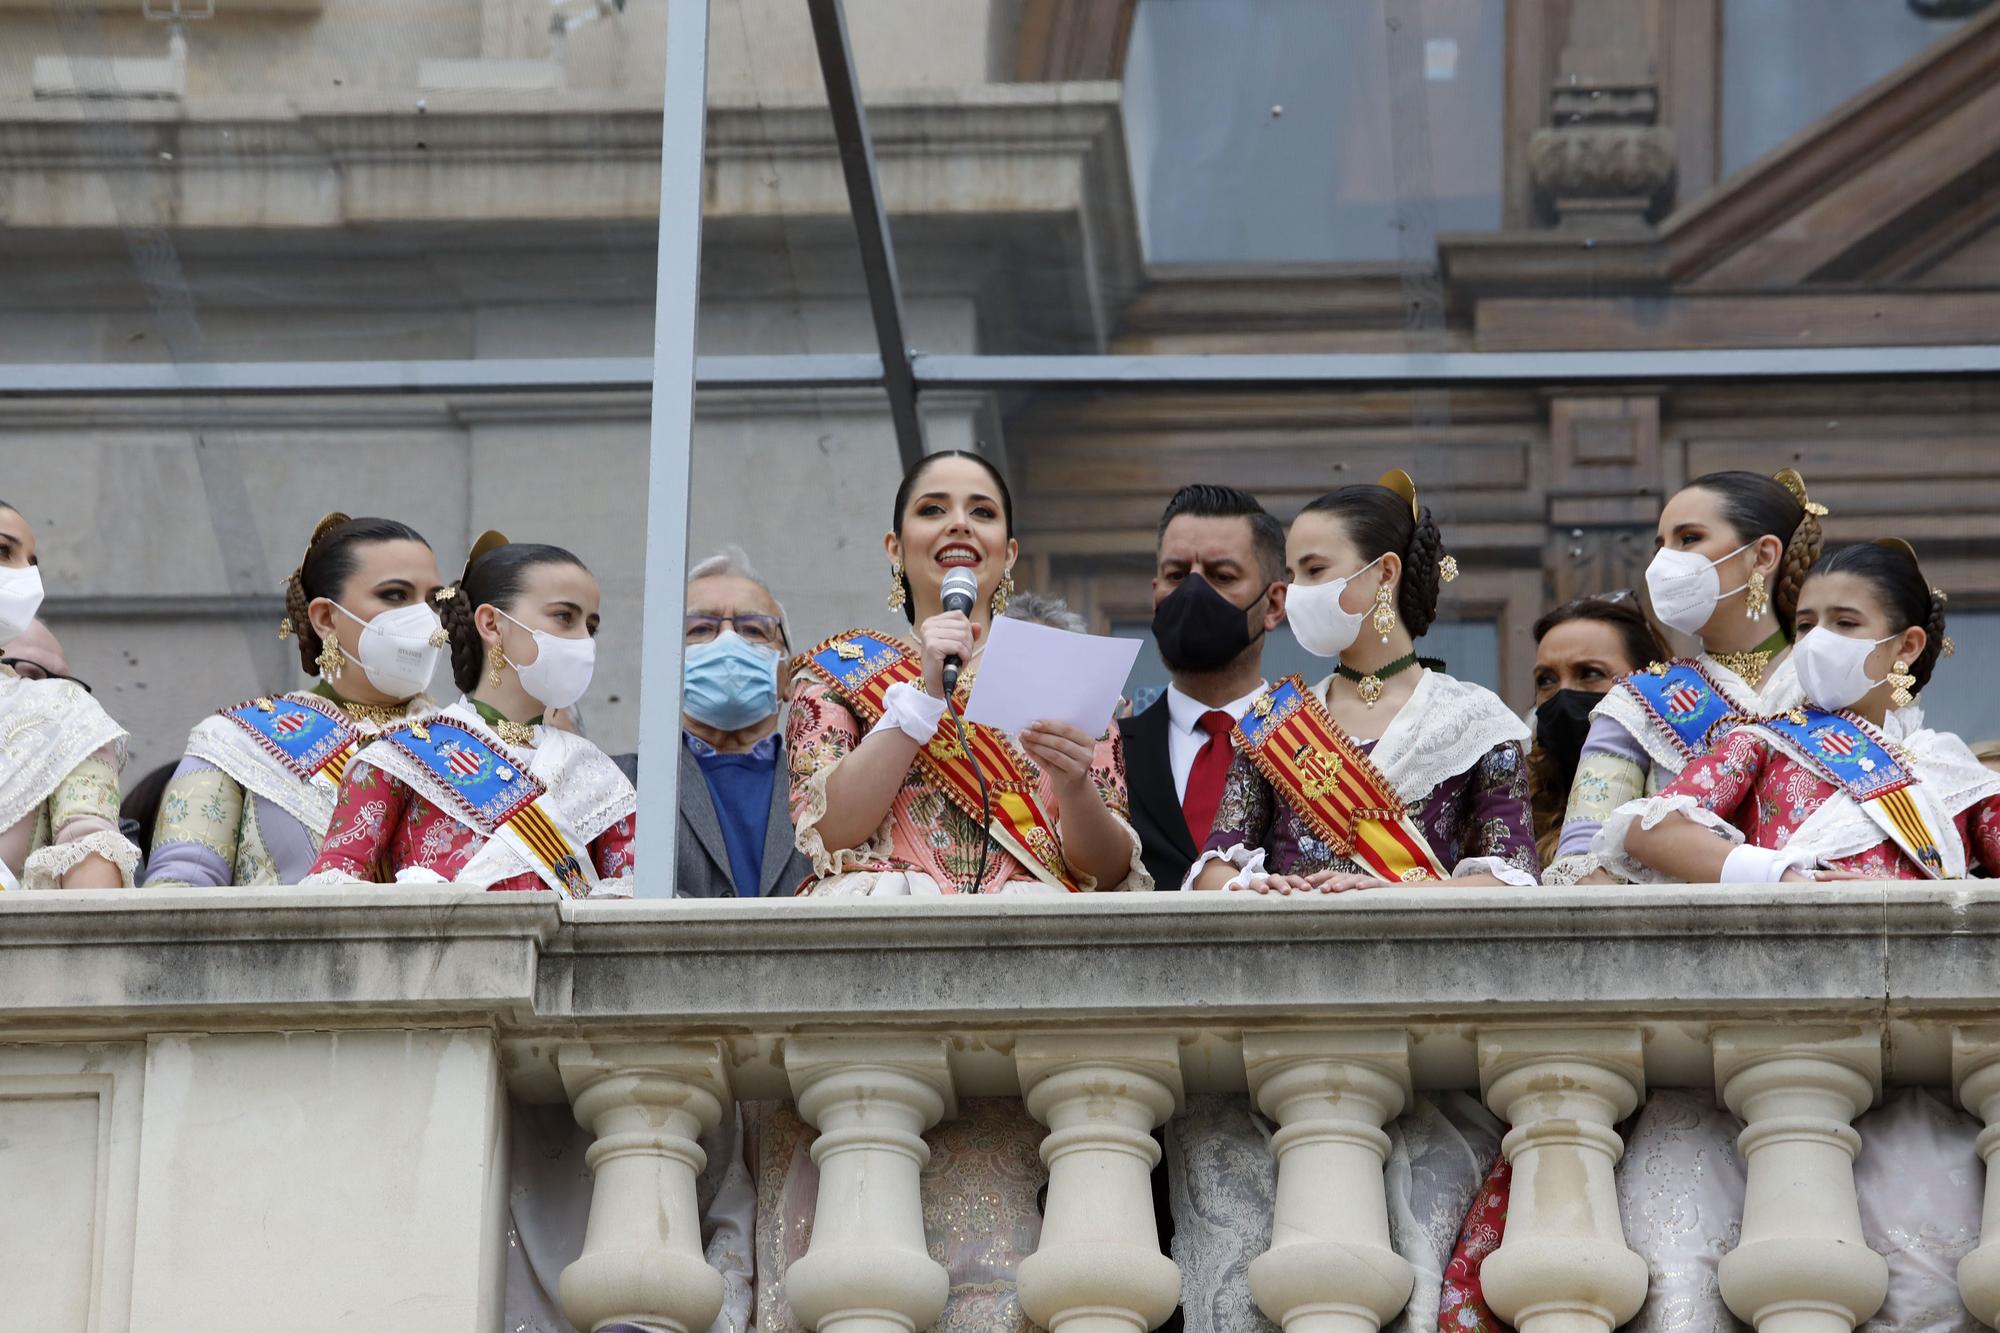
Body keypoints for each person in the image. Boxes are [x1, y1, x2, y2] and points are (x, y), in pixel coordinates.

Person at [1580, 538, 1992, 1332]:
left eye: (1844, 621)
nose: (1815, 642)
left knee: (1923, 1288)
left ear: (1906, 645)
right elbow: (1653, 830)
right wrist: (1781, 877)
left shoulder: (1953, 776)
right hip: (1761, 1045)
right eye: (1804, 623)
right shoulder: (1762, 740)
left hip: (1910, 1059)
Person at [1169, 472, 1532, 1333]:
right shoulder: (1275, 727)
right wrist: (1266, 884)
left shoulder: (1481, 721)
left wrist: (1393, 887)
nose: (1289, 592)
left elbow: (1512, 878)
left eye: (1311, 567)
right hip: (1282, 1042)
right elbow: (1215, 871)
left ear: (1377, 578)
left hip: (1428, 1053)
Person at [785, 449, 1148, 897]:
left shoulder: (1067, 669)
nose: (959, 522)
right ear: (894, 547)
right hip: (887, 924)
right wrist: (923, 698)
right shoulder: (842, 670)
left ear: (1009, 551)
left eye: (982, 511)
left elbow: (1109, 874)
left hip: (1034, 930)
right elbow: (826, 833)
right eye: (932, 509)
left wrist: (1073, 787)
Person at [304, 533, 635, 894]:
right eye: (564, 617)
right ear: (491, 623)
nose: (582, 642)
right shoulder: (398, 757)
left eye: (591, 627)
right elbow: (332, 893)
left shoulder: (600, 775)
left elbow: (631, 913)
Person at [1544, 469, 1827, 885]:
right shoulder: (1639, 701)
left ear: (1763, 555)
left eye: (1689, 539)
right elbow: (1580, 863)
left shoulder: (1835, 687)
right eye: (1661, 546)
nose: (1664, 563)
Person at [144, 514, 446, 887]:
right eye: (395, 595)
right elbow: (180, 894)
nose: (425, 620)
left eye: (433, 601)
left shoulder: (470, 748)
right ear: (326, 618)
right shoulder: (236, 741)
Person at [1119, 484, 1288, 893]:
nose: (1193, 593)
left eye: (1222, 576)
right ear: (1155, 593)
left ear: (1274, 604)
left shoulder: (1316, 746)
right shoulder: (1108, 749)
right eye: (1177, 575)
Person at [0, 502, 142, 892]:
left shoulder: (65, 713)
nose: (26, 578)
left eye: (32, 564)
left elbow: (89, 852)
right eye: (2, 552)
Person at [675, 546, 812, 899]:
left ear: (788, 675)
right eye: (700, 628)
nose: (728, 641)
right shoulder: (622, 785)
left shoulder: (832, 792)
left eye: (753, 629)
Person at [1526, 593, 1668, 868]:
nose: (1564, 693)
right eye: (1546, 680)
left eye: (1590, 673)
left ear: (1646, 680)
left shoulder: (1674, 801)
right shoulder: (1517, 811)